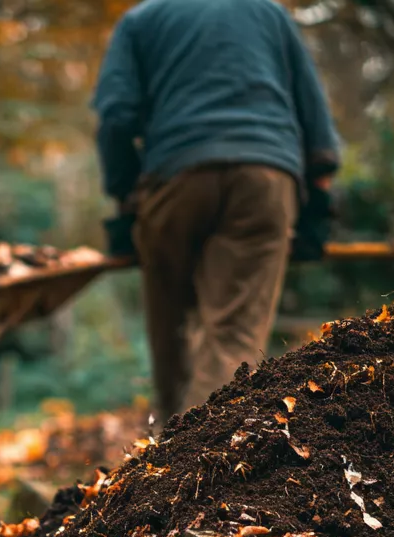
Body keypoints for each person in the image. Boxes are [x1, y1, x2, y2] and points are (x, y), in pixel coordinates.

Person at [93, 0, 340, 426]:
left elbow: (115, 118)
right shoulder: (269, 14)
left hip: (174, 177)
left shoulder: (140, 20)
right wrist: (317, 207)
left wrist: (125, 195)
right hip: (264, 179)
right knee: (233, 335)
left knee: (171, 333)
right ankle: (202, 454)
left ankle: (170, 445)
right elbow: (316, 125)